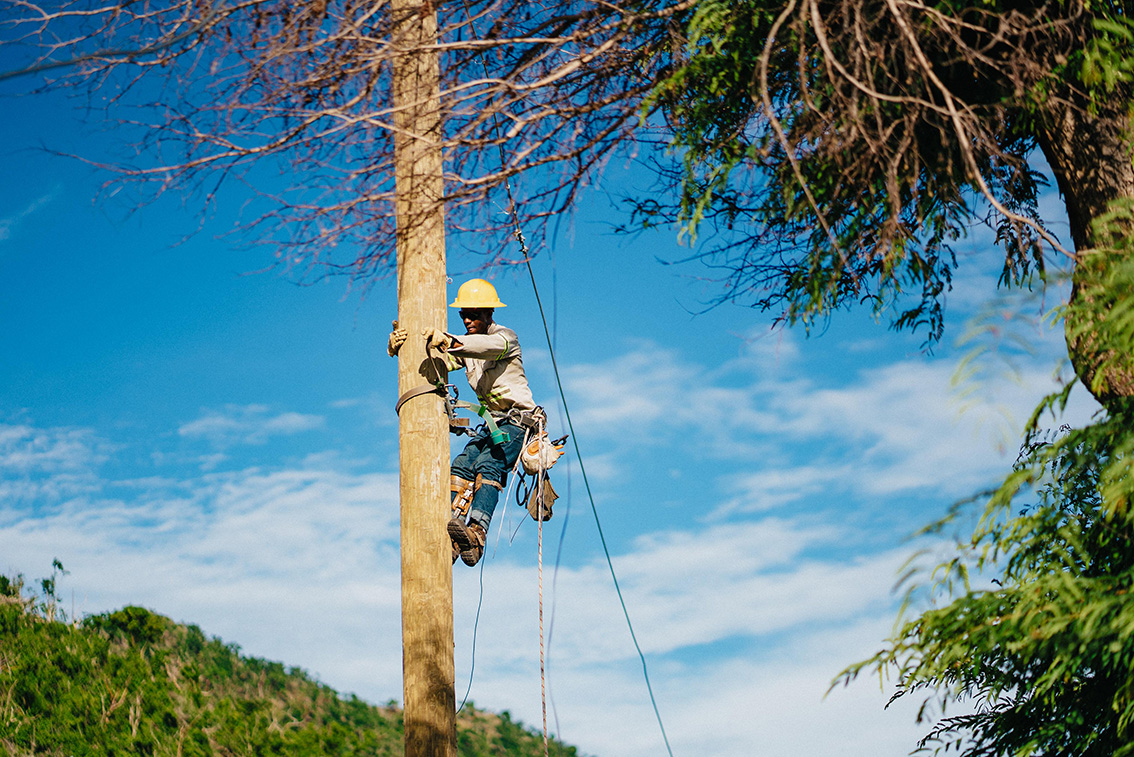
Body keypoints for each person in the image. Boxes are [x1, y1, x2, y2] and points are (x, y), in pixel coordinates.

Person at [387, 278, 541, 566]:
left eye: (474, 314)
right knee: (461, 465)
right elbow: (441, 363)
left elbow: (480, 347)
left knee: (488, 465)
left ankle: (477, 533)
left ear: (489, 314)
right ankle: (453, 533)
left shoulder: (505, 338)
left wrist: (449, 340)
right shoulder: (467, 349)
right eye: (464, 315)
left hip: (517, 424)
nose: (468, 320)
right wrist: (402, 349)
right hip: (493, 424)